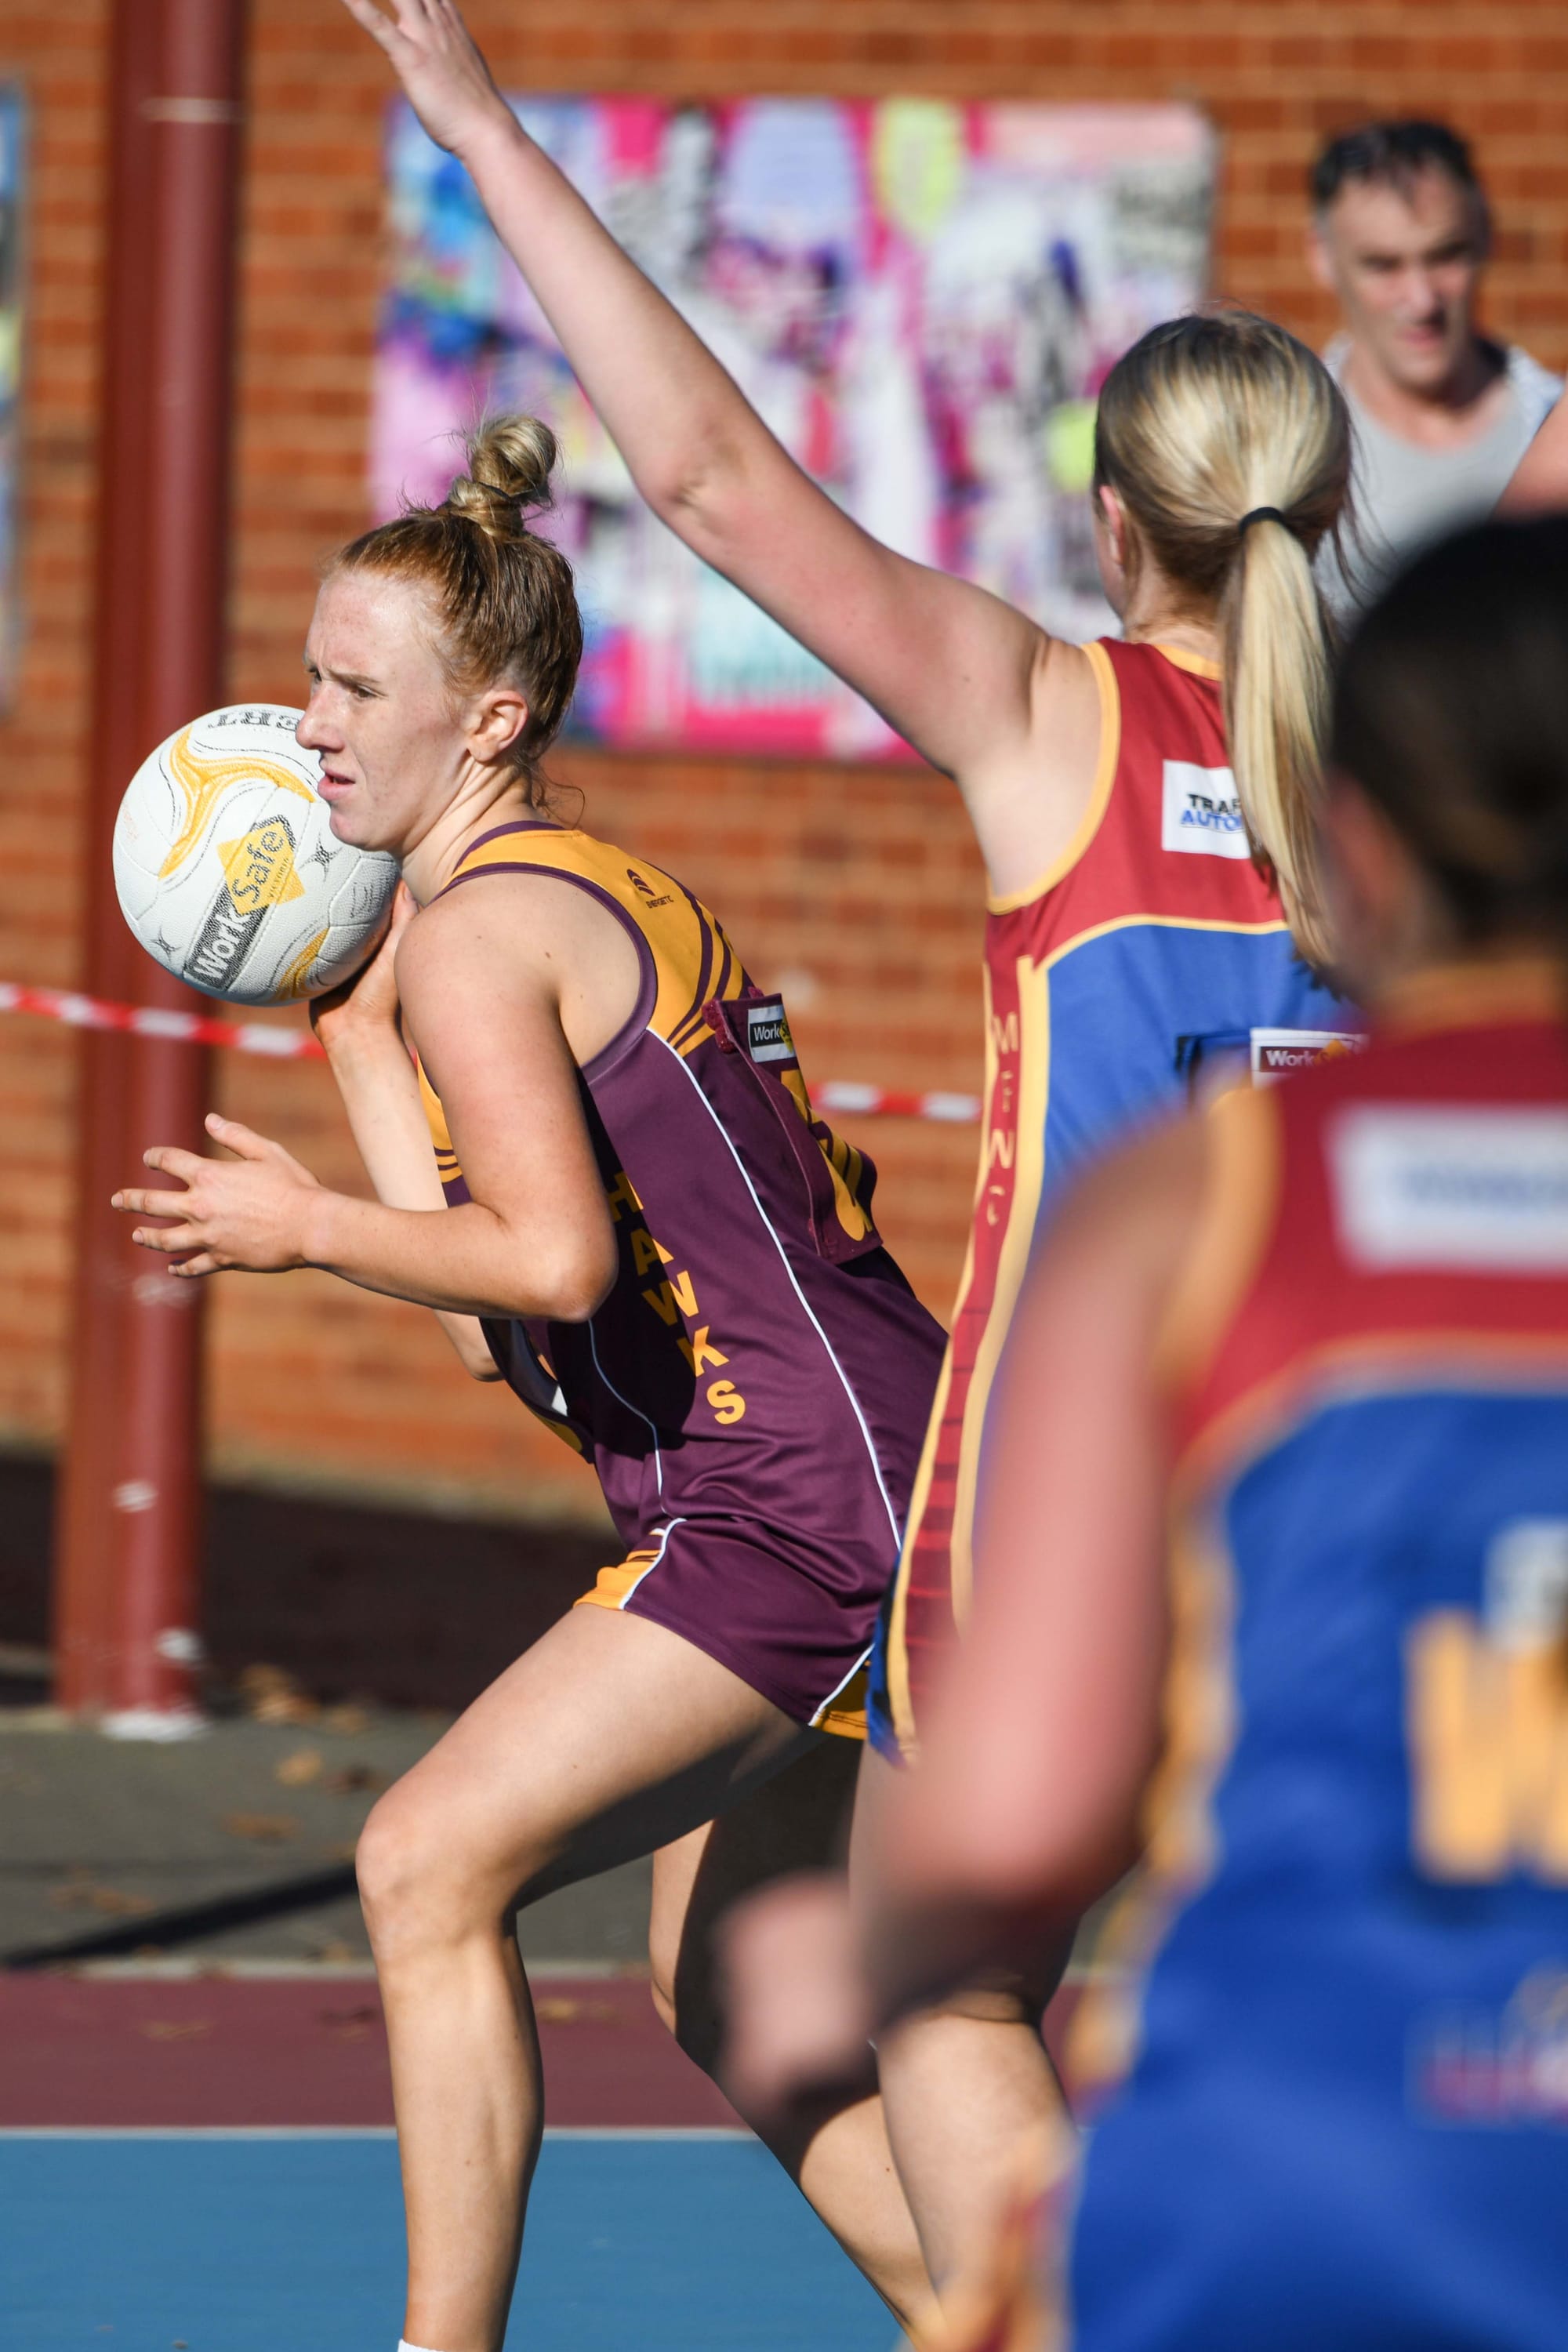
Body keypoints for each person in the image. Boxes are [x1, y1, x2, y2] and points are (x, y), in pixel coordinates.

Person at [335, 0, 1359, 2290]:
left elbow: (702, 478)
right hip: (1314, 1503)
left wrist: (481, 131)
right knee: (735, 1945)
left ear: (1115, 512)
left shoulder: (1055, 720)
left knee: (949, 1992)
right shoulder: (1414, 800)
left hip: (1062, 1504)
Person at [113, 412, 947, 2350]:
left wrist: (307, 1226)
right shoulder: (547, 902)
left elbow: (551, 1261)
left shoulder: (492, 936)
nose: (305, 721)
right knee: (725, 1981)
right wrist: (346, 1021)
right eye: (308, 671)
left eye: (352, 686)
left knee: (422, 1853)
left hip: (796, 1494)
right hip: (866, 1464)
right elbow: (500, 1323)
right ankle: (997, 2311)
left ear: (484, 721)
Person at [851, 514, 1568, 2348]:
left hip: (1301, 2157)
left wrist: (838, 1948)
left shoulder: (1200, 1199)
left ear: (1357, 845)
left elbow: (1012, 1812)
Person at [1308, 119, 1559, 612]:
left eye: (1446, 256)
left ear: (1486, 233)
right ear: (1322, 257)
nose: (1421, 300)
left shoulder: (1553, 423)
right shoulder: (1286, 444)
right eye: (1384, 265)